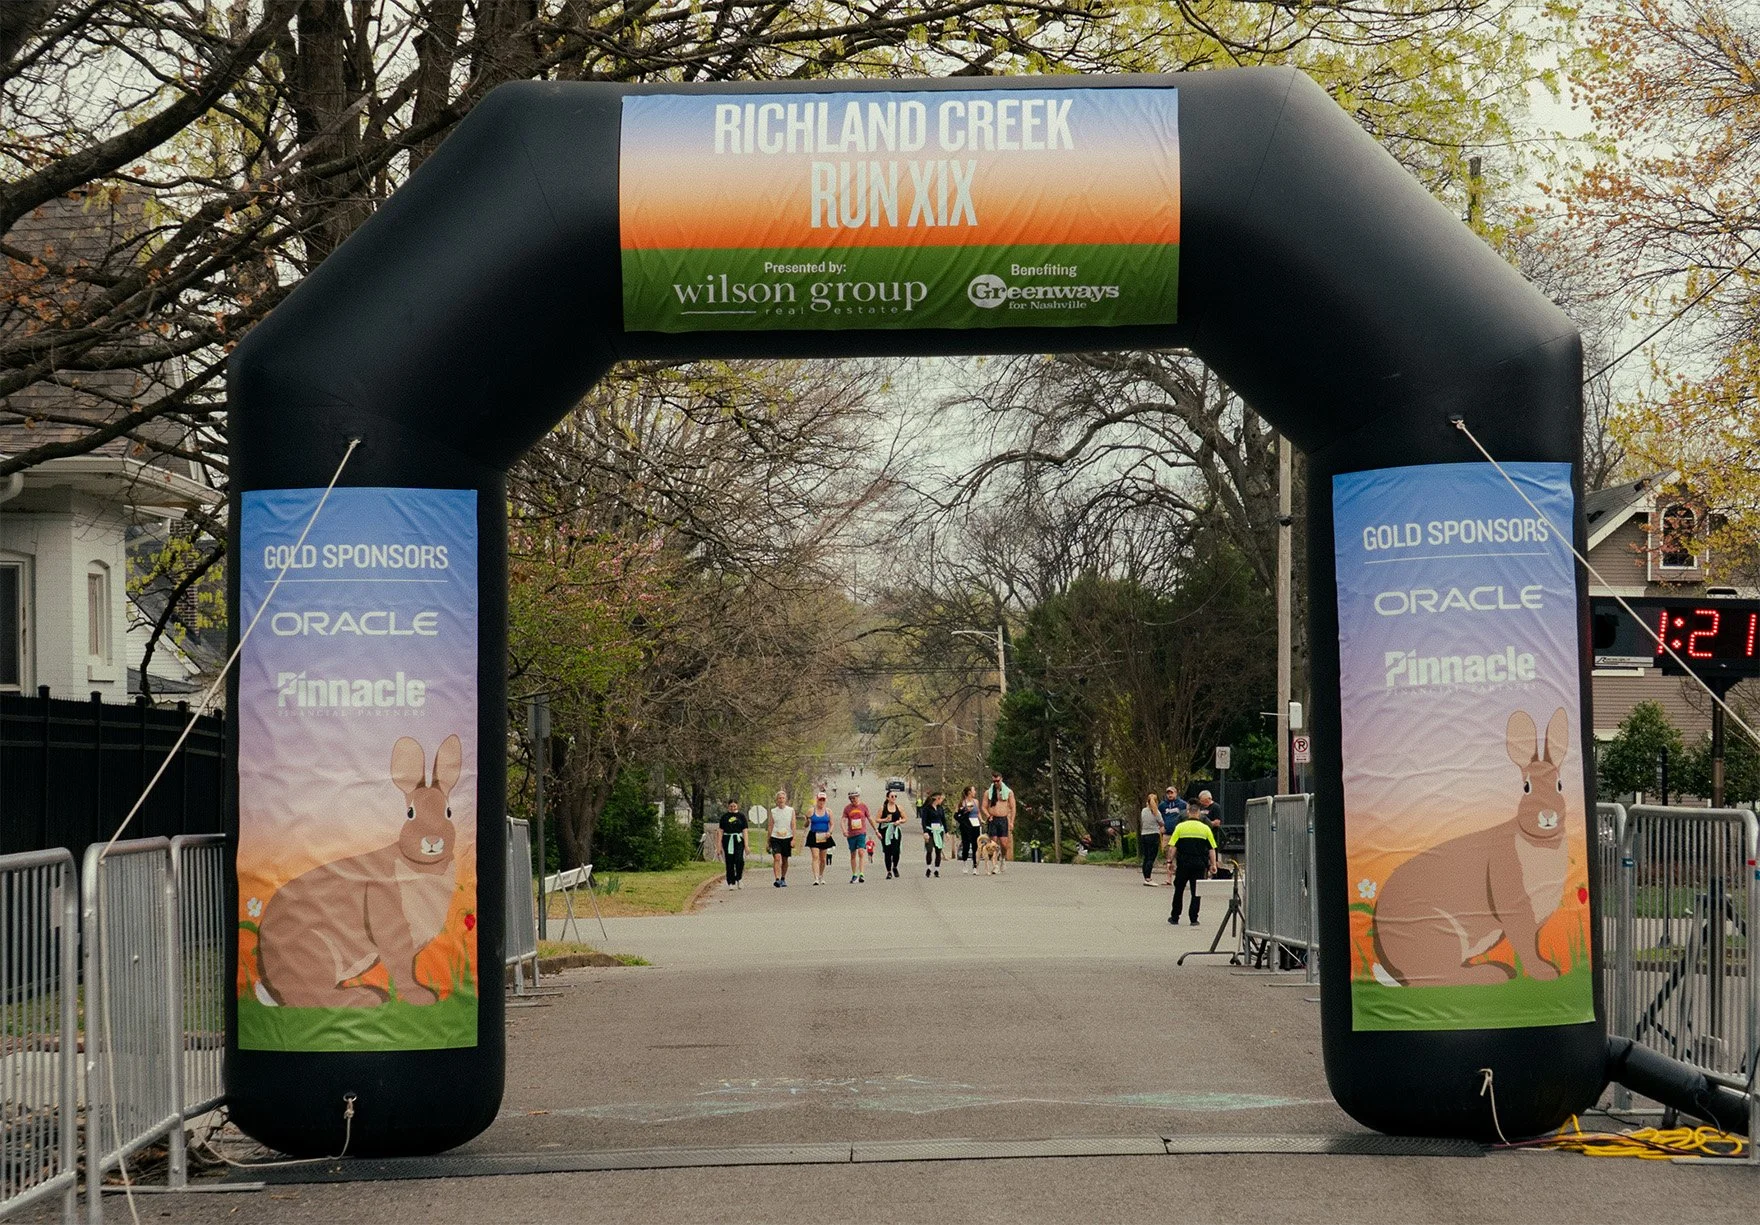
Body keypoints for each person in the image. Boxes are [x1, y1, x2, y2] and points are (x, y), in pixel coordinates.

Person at [1168, 809, 1219, 926]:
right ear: (1199, 814)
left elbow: (1172, 847)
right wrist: (1213, 864)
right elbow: (1211, 849)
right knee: (1196, 892)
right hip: (1199, 865)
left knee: (1179, 890)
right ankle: (1193, 919)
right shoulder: (1205, 828)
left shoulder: (1180, 827)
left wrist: (1170, 862)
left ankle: (1175, 917)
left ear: (1188, 813)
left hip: (1183, 864)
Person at [982, 773, 1016, 869]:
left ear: (1001, 779)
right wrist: (988, 815)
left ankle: (1003, 858)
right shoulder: (988, 792)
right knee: (993, 843)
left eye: (997, 781)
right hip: (993, 819)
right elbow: (983, 807)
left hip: (1003, 819)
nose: (996, 783)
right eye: (994, 781)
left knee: (1004, 844)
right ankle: (995, 864)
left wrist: (1011, 821)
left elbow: (1013, 807)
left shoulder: (1008, 792)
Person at [804, 793, 836, 885]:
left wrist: (830, 832)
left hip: (824, 835)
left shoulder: (828, 812)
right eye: (820, 800)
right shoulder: (811, 811)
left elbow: (832, 824)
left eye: (823, 800)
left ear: (825, 801)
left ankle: (821, 875)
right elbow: (805, 825)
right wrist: (808, 821)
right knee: (815, 856)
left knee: (823, 859)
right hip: (814, 835)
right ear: (817, 800)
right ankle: (816, 878)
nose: (821, 802)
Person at [842, 788, 872, 883]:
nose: (852, 800)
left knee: (861, 852)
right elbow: (843, 820)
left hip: (861, 833)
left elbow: (869, 818)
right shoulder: (847, 808)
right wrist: (844, 830)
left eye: (854, 798)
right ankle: (854, 874)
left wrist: (876, 830)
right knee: (853, 854)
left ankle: (861, 874)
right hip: (851, 834)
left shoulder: (863, 806)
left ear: (858, 797)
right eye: (850, 799)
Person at [718, 798, 748, 889]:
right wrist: (719, 845)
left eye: (734, 806)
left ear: (737, 806)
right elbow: (720, 831)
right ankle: (730, 881)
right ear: (728, 806)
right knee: (729, 860)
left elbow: (745, 831)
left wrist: (746, 845)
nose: (733, 808)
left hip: (738, 839)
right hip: (728, 839)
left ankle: (739, 878)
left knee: (739, 860)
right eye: (731, 806)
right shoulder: (724, 817)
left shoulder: (741, 816)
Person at [767, 789, 795, 887]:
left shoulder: (790, 810)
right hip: (775, 837)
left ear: (785, 799)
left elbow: (793, 825)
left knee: (785, 859)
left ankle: (783, 878)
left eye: (783, 798)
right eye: (779, 798)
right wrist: (768, 840)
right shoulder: (773, 811)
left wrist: (794, 838)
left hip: (787, 837)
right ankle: (777, 879)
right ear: (776, 800)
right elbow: (770, 826)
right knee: (777, 857)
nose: (781, 800)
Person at [876, 790, 907, 879]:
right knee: (887, 852)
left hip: (895, 830)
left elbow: (905, 818)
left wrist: (899, 821)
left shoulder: (899, 807)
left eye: (895, 796)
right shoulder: (883, 808)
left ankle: (895, 866)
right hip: (885, 831)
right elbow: (877, 819)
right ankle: (889, 871)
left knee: (896, 851)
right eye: (892, 796)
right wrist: (885, 820)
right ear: (887, 798)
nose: (894, 798)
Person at [919, 789, 948, 877]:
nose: (942, 801)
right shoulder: (927, 809)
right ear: (937, 799)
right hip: (930, 830)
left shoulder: (940, 808)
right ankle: (928, 868)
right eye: (941, 799)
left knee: (938, 851)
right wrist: (925, 832)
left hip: (939, 831)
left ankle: (937, 869)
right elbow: (924, 821)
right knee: (929, 850)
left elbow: (943, 820)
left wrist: (946, 832)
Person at [1137, 790, 1163, 885]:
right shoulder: (1156, 812)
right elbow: (1161, 822)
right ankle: (1148, 878)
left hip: (1144, 834)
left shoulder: (1143, 811)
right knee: (1151, 857)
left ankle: (1146, 876)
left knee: (1146, 857)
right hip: (1153, 834)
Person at [955, 785, 982, 873]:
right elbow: (957, 815)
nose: (975, 792)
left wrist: (981, 820)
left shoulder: (976, 801)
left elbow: (978, 812)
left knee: (975, 845)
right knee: (966, 845)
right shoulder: (962, 803)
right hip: (966, 825)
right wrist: (966, 811)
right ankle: (965, 863)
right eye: (974, 790)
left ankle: (975, 866)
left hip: (975, 824)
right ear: (969, 792)